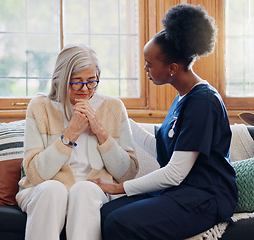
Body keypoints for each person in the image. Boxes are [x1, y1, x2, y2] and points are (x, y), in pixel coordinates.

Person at [91, 4, 238, 240]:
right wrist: (118, 117)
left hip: (205, 198)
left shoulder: (203, 102)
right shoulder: (183, 96)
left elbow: (175, 173)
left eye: (149, 64)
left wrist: (120, 188)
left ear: (172, 68)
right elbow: (160, 146)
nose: (145, 69)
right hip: (180, 192)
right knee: (106, 212)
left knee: (119, 222)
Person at [16, 43, 139, 240]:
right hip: (45, 189)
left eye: (92, 81)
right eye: (77, 82)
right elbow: (36, 174)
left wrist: (100, 132)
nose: (86, 89)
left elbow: (128, 174)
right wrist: (70, 134)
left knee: (85, 189)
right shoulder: (40, 107)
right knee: (52, 189)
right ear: (61, 80)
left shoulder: (113, 107)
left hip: (93, 191)